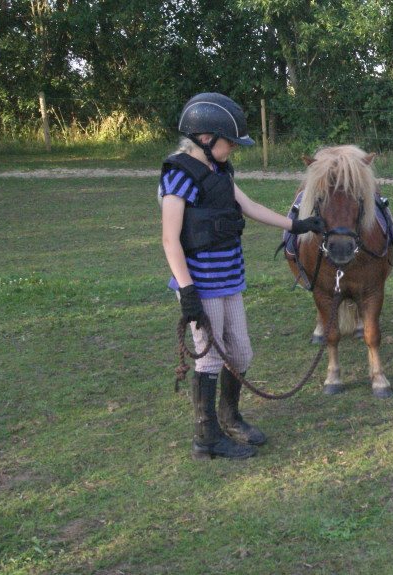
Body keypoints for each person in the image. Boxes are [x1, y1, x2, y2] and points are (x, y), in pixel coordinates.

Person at [160, 92, 325, 459]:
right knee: (210, 357)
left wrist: (296, 225)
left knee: (241, 351)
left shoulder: (218, 171)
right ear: (205, 139)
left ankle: (229, 417)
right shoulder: (179, 176)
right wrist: (187, 292)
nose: (233, 148)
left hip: (229, 278)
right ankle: (207, 438)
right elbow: (170, 239)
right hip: (201, 283)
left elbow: (248, 207)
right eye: (229, 142)